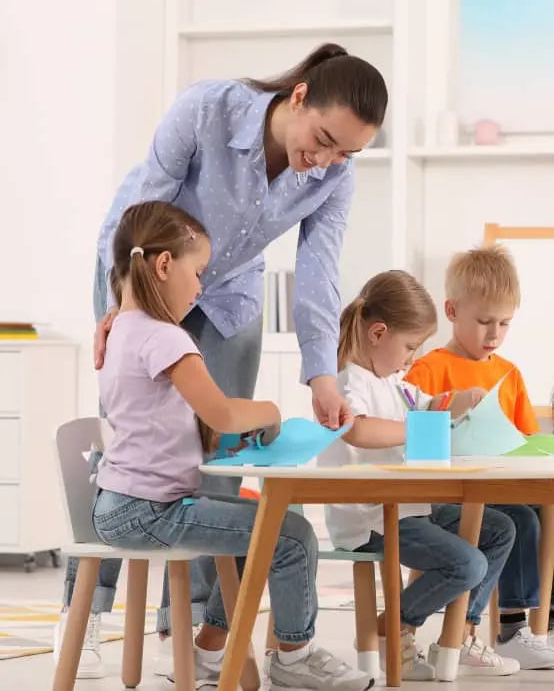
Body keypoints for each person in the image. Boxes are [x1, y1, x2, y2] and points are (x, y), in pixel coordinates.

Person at [53, 42, 389, 679]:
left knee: (220, 461)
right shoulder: (208, 109)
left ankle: (199, 638)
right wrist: (116, 302)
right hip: (143, 275)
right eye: (322, 139)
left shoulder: (333, 177)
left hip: (229, 294)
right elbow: (141, 214)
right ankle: (87, 613)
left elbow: (319, 273)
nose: (326, 160)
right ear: (298, 98)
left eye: (346, 152)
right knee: (130, 449)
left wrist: (321, 374)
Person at [91, 200, 375, 691]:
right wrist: (269, 412)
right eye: (198, 272)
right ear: (163, 266)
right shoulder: (167, 338)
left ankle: (208, 652)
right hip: (152, 510)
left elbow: (163, 418)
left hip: (120, 503)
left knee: (262, 527)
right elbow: (219, 410)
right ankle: (294, 656)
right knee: (292, 536)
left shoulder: (119, 331)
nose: (201, 287)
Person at [318, 270, 519, 681]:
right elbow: (357, 428)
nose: (412, 358)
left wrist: (460, 401)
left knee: (500, 528)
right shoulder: (347, 382)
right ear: (378, 333)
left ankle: (458, 633)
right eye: (410, 346)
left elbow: (428, 403)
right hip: (370, 516)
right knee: (467, 565)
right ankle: (394, 626)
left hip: (409, 508)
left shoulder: (394, 382)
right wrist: (420, 428)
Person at [405, 244, 554, 670]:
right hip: (443, 496)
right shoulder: (428, 370)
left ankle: (519, 628)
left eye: (505, 323)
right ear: (451, 311)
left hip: (495, 488)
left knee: (535, 512)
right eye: (485, 321)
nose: (494, 334)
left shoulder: (509, 373)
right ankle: (508, 628)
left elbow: (526, 440)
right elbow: (410, 438)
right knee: (521, 520)